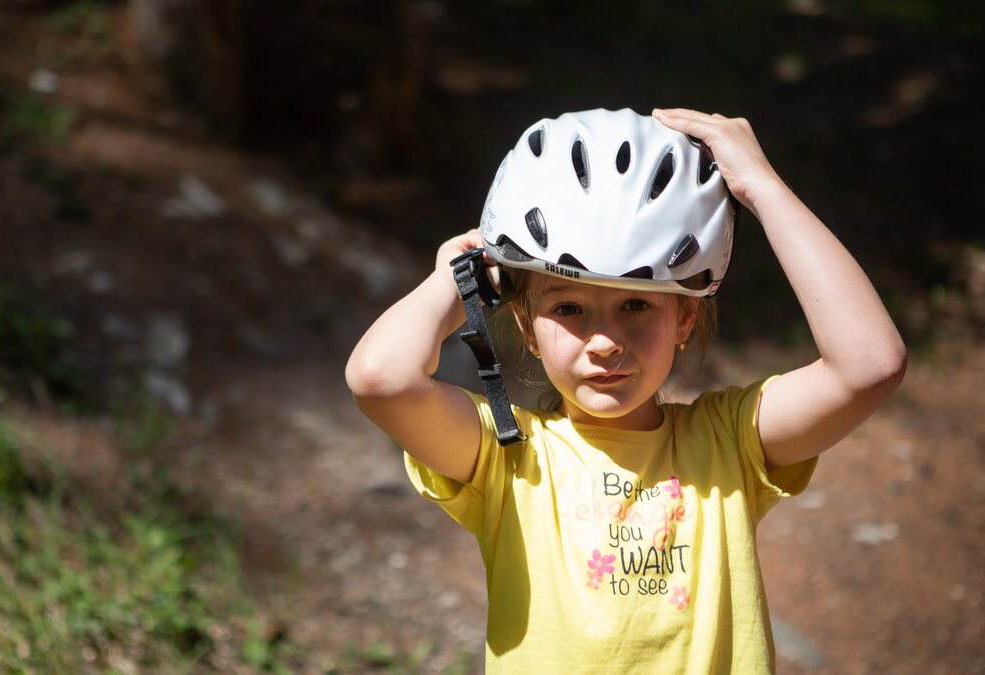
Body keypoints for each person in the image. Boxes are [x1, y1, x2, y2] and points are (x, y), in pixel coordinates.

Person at [344, 108, 906, 673]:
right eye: (568, 308)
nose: (606, 342)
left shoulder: (728, 443)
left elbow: (869, 365)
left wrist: (762, 188)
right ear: (527, 329)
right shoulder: (506, 455)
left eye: (636, 304)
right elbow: (380, 379)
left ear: (684, 319)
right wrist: (457, 279)